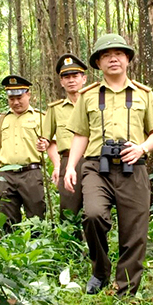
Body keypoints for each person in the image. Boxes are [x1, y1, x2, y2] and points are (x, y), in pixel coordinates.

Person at [63, 34, 153, 296]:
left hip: (134, 166)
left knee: (135, 230)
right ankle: (100, 271)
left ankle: (126, 287)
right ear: (98, 62)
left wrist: (142, 147)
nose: (113, 58)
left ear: (128, 59)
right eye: (106, 55)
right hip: (97, 167)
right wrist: (71, 166)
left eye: (119, 53)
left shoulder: (144, 94)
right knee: (94, 215)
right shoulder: (87, 96)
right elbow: (81, 135)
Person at [0, 75, 48, 228]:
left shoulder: (40, 118)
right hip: (5, 175)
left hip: (31, 174)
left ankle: (37, 249)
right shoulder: (0, 120)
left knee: (36, 218)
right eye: (11, 99)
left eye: (19, 97)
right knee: (5, 218)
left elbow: (51, 144)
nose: (15, 102)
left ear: (28, 94)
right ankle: (8, 250)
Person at [44, 54, 88, 226]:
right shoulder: (55, 109)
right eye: (66, 77)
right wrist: (56, 165)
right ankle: (71, 250)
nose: (71, 80)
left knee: (96, 209)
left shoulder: (95, 103)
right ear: (61, 82)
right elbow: (48, 141)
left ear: (84, 78)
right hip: (68, 161)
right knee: (69, 211)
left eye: (75, 76)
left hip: (94, 159)